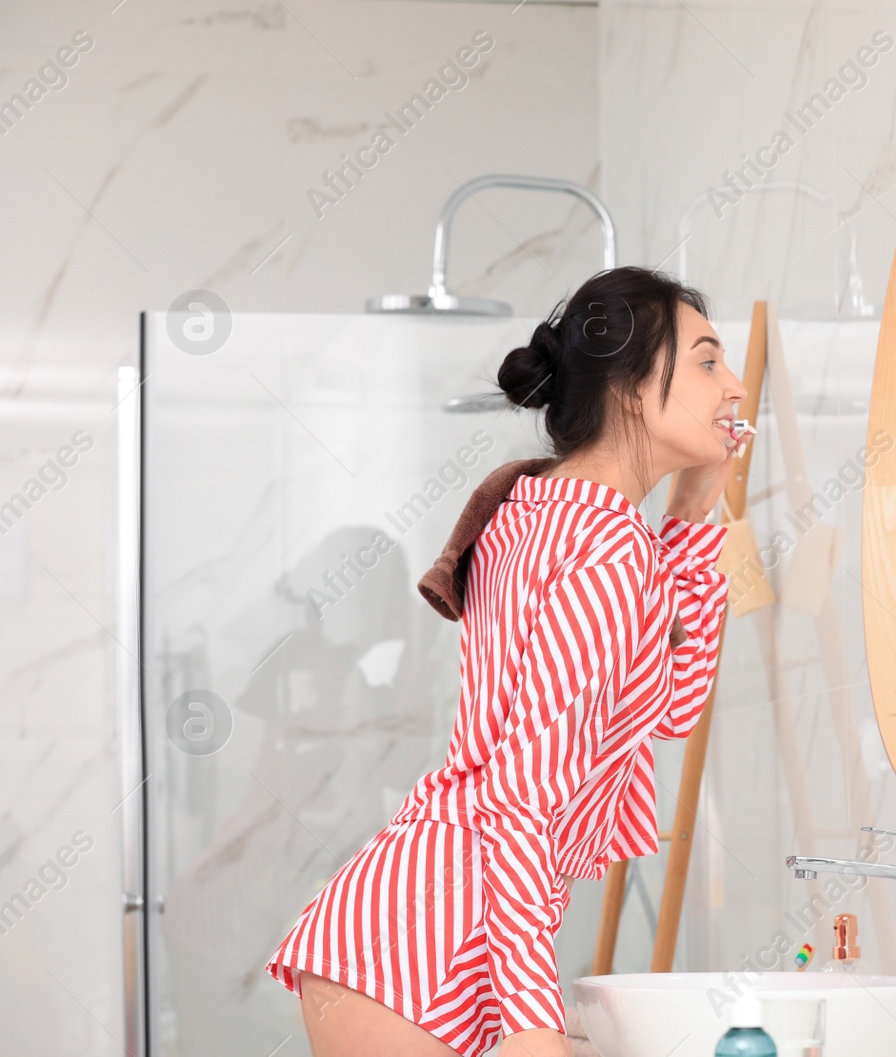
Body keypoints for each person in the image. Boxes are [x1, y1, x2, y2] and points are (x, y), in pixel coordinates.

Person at [264, 266, 752, 1057]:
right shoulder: (605, 550)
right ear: (629, 387)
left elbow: (671, 708)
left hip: (426, 928)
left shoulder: (542, 508)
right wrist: (534, 1019)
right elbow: (523, 803)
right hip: (421, 945)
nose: (733, 386)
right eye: (706, 360)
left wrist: (692, 513)